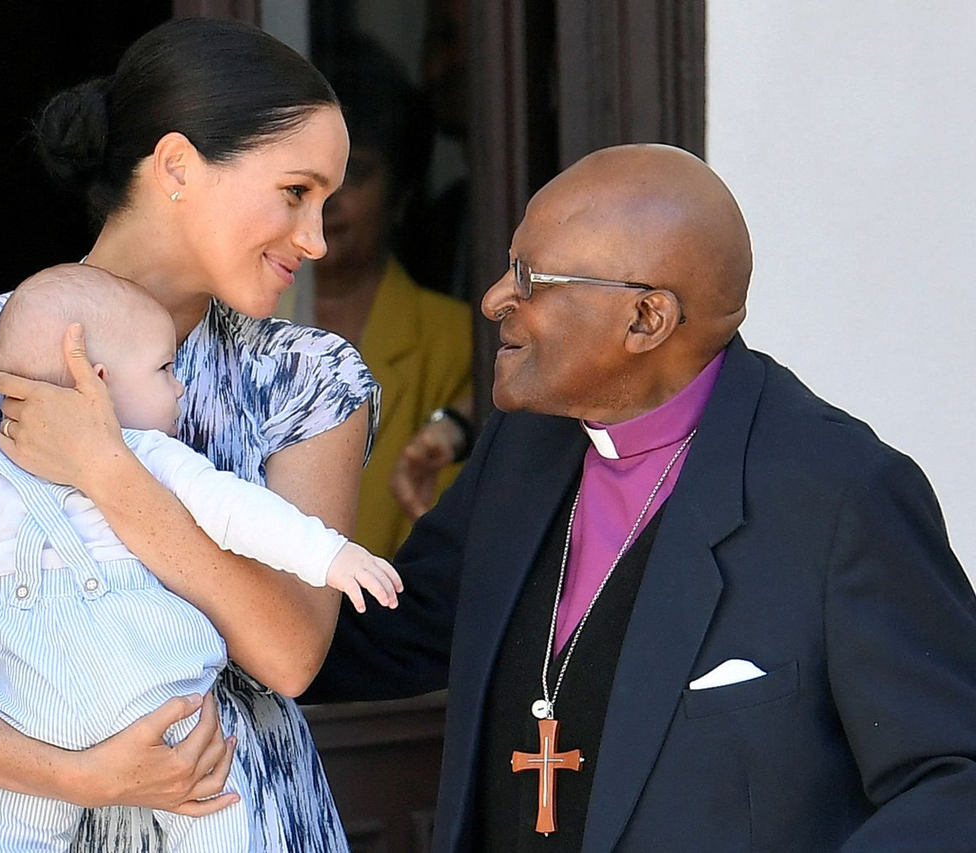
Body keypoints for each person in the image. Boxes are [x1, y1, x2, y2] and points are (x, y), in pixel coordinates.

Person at [0, 17, 373, 852]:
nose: (317, 239)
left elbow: (289, 653)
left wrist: (111, 470)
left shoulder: (312, 379)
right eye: (295, 192)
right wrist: (76, 775)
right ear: (176, 166)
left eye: (326, 201)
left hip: (232, 816)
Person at [305, 143, 976, 851]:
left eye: (531, 278)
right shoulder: (523, 449)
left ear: (646, 319)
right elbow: (398, 626)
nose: (495, 297)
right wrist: (197, 609)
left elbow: (953, 775)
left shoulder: (840, 492)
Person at [0, 264, 400, 852]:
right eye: (164, 370)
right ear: (99, 380)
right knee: (210, 815)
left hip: (71, 703)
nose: (180, 387)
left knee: (34, 826)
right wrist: (331, 555)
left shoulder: (24, 461)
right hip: (88, 708)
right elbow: (240, 515)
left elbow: (241, 515)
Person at [313, 33, 473, 558]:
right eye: (304, 178)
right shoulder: (222, 323)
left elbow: (438, 538)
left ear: (401, 196)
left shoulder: (459, 341)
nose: (325, 201)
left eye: (352, 175)